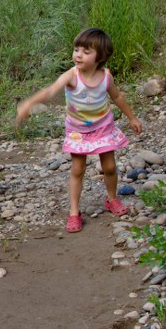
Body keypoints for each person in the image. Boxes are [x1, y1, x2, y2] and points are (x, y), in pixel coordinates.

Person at [15, 28, 142, 233]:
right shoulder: (72, 76)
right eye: (76, 50)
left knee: (109, 167)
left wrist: (132, 118)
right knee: (77, 169)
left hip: (103, 127)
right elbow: (50, 91)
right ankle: (74, 211)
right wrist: (28, 103)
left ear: (100, 56)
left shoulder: (106, 77)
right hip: (77, 131)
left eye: (85, 51)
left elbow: (117, 97)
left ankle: (111, 199)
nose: (78, 55)